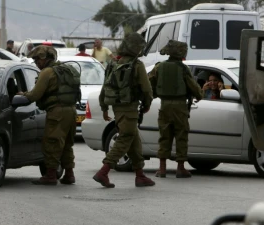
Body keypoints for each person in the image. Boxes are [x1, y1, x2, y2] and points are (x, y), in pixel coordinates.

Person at [93, 32, 155, 188]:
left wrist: (104, 107)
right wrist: (147, 103)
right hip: (130, 107)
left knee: (134, 141)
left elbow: (105, 87)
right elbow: (146, 89)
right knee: (125, 139)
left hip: (117, 107)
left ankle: (140, 175)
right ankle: (104, 171)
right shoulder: (137, 65)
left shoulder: (114, 63)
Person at [17, 45, 79, 186]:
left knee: (51, 142)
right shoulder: (67, 69)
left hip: (57, 112)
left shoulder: (47, 72)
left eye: (37, 59)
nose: (36, 63)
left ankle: (50, 174)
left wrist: (22, 95)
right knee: (66, 144)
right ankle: (69, 174)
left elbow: (34, 95)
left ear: (44, 59)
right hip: (71, 110)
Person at [148, 40, 203, 178]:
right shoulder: (183, 69)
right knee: (181, 135)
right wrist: (200, 94)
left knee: (164, 136)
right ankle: (180, 168)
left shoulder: (159, 67)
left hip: (164, 105)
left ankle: (162, 169)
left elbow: (150, 85)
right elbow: (193, 87)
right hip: (180, 106)